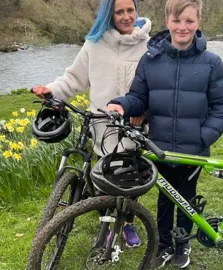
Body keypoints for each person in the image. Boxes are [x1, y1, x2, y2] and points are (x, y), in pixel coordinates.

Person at [107, 0, 223, 268]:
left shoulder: (212, 63)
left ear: (198, 22)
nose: (182, 27)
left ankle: (183, 245)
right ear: (167, 22)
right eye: (177, 21)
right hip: (160, 146)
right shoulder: (151, 59)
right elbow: (138, 98)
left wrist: (204, 136)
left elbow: (222, 106)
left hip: (193, 150)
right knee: (165, 199)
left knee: (186, 200)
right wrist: (122, 104)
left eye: (189, 21)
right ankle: (164, 246)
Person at [31, 0, 152, 248]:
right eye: (120, 11)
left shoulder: (147, 46)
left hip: (131, 127)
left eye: (130, 10)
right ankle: (106, 224)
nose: (127, 16)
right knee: (101, 181)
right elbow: (73, 79)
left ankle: (127, 223)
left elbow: (156, 86)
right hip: (101, 127)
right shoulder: (94, 45)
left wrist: (145, 111)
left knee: (129, 180)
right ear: (109, 14)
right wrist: (51, 91)